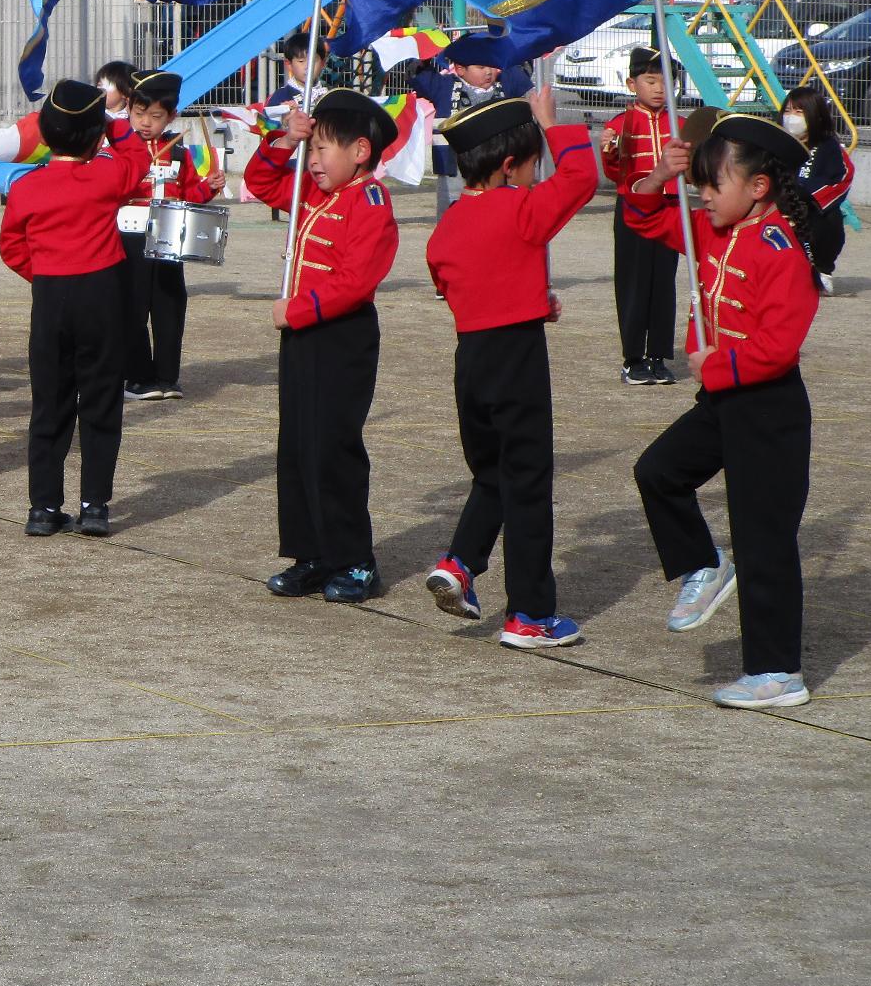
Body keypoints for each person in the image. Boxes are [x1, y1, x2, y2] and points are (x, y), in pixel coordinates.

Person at [623, 114, 821, 709]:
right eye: (700, 182)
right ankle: (704, 565)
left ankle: (777, 671)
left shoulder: (781, 248)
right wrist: (662, 172)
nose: (702, 195)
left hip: (766, 408)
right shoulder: (712, 228)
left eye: (714, 183)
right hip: (722, 401)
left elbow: (777, 347)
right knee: (657, 472)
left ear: (757, 188)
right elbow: (646, 217)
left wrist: (710, 364)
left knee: (765, 542)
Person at [422, 86, 596, 648]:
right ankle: (530, 614)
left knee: (492, 473)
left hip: (470, 358)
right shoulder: (519, 206)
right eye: (530, 163)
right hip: (516, 358)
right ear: (507, 166)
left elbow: (452, 282)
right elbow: (581, 180)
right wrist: (553, 123)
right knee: (527, 484)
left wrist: (526, 298)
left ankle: (460, 561)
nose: (535, 172)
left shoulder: (448, 222)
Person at [243, 88, 399, 604]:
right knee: (298, 445)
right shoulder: (312, 193)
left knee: (333, 448)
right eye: (310, 152)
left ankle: (355, 560)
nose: (312, 162)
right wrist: (287, 138)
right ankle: (310, 552)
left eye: (321, 150)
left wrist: (294, 310)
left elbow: (355, 283)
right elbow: (259, 181)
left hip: (341, 337)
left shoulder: (370, 201)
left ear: (359, 152)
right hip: (303, 336)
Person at [0, 79, 151, 539]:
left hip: (50, 296)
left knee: (50, 401)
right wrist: (109, 121)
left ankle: (43, 507)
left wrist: (44, 273)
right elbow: (140, 159)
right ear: (95, 135)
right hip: (101, 294)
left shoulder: (26, 185)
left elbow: (10, 247)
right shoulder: (105, 175)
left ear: (44, 133)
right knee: (101, 400)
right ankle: (94, 506)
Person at [118, 68, 224, 401]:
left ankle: (167, 377)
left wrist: (208, 189)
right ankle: (137, 378)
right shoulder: (118, 148)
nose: (146, 122)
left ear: (171, 117)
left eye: (155, 116)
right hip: (131, 235)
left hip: (170, 237)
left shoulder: (179, 153)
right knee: (132, 307)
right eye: (139, 114)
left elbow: (190, 194)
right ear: (129, 110)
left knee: (170, 305)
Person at [600, 46, 680, 384]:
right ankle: (633, 357)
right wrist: (610, 149)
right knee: (633, 282)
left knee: (664, 283)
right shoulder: (619, 123)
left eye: (666, 81)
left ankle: (658, 355)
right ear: (632, 84)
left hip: (670, 208)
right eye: (651, 80)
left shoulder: (680, 123)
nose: (660, 88)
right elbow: (612, 171)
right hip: (633, 209)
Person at [411, 33, 533, 223]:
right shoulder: (444, 87)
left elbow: (521, 72)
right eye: (481, 67)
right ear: (459, 69)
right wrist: (425, 52)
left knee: (497, 210)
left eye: (493, 65)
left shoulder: (506, 85)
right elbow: (418, 76)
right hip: (454, 166)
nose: (489, 72)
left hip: (497, 164)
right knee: (452, 210)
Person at [784, 85, 854, 296]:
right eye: (787, 111)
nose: (791, 117)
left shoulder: (828, 146)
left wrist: (806, 192)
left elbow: (841, 177)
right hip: (779, 208)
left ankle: (821, 269)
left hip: (813, 210)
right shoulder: (776, 142)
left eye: (799, 111)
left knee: (831, 219)